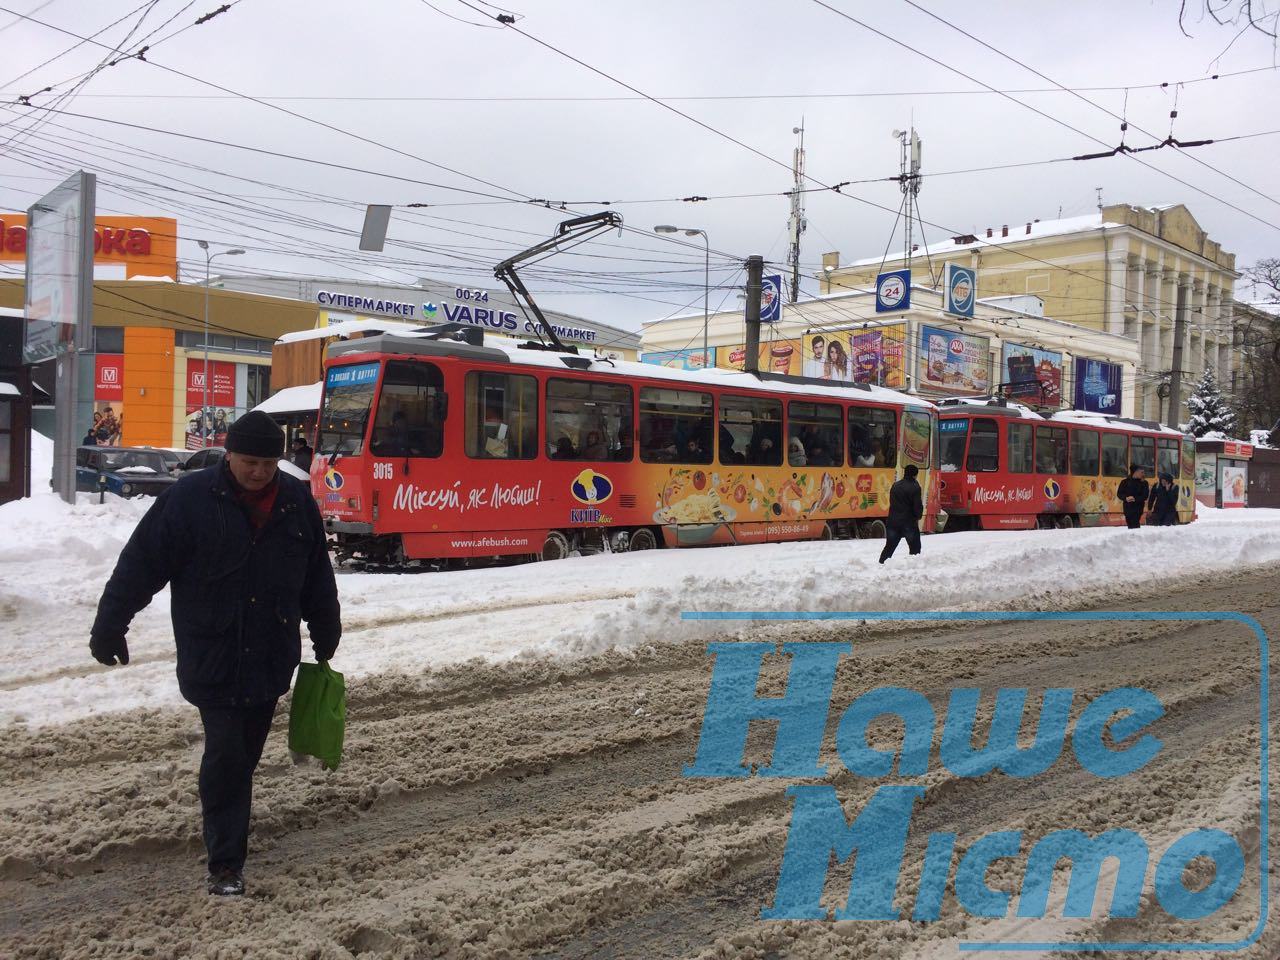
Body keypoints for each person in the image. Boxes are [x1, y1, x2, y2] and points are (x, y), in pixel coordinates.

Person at [89, 411, 340, 898]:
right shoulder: (188, 501)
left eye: (269, 463)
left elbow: (315, 573)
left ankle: (227, 822)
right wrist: (110, 625)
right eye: (250, 462)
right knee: (226, 753)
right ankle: (225, 865)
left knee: (242, 755)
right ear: (230, 455)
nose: (259, 472)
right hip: (213, 651)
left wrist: (325, 626)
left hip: (271, 654)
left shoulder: (294, 504)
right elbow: (140, 564)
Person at [879, 463, 924, 564]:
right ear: (915, 475)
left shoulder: (895, 485)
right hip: (908, 523)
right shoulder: (915, 487)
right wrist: (918, 516)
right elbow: (917, 506)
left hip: (893, 521)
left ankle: (881, 564)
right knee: (915, 548)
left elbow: (892, 502)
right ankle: (913, 567)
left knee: (890, 546)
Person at [1116, 464, 1149, 529]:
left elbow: (1145, 496)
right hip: (1127, 508)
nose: (1143, 474)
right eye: (1141, 472)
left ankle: (1135, 537)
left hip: (1138, 508)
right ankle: (1132, 538)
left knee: (1135, 524)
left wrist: (1135, 499)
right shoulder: (1125, 482)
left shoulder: (1144, 483)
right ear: (1135, 472)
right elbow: (1119, 493)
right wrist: (1126, 498)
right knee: (1130, 524)